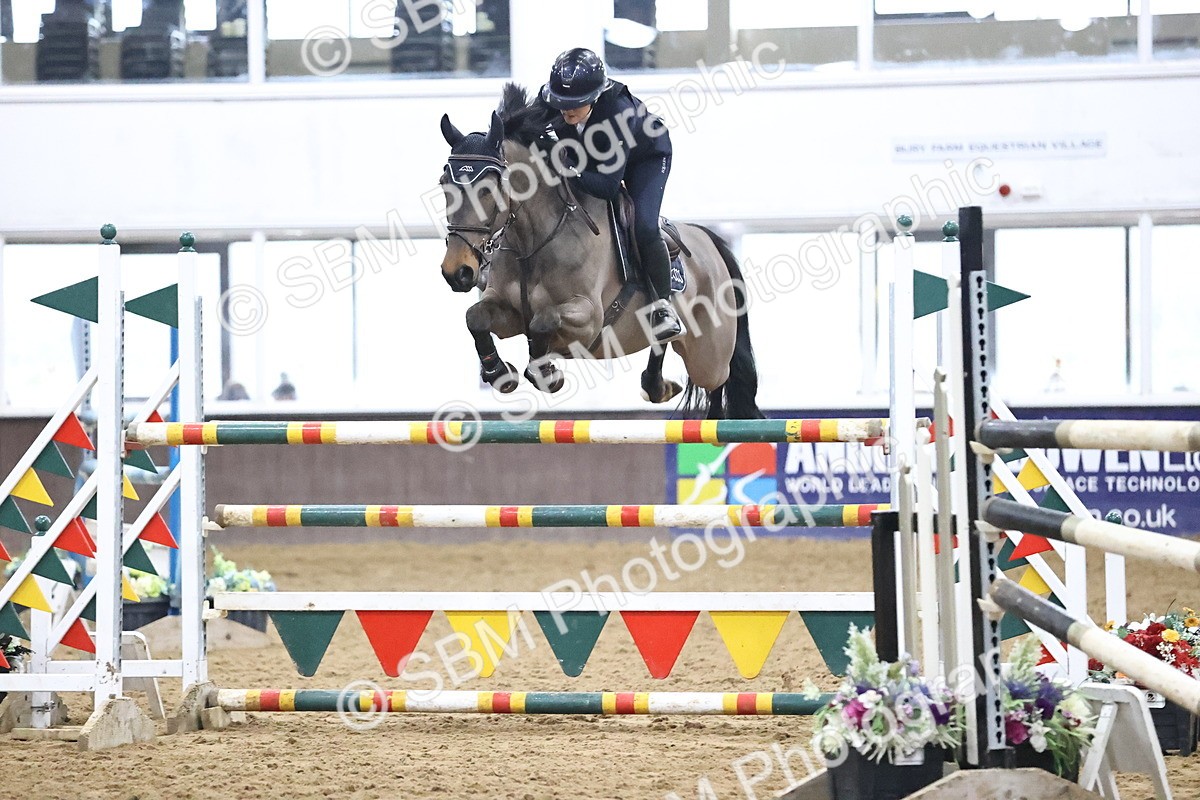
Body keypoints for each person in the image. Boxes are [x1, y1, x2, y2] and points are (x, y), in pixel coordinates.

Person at [538, 47, 684, 342]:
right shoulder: (553, 101)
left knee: (643, 224)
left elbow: (606, 187)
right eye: (561, 103)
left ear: (595, 97)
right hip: (596, 157)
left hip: (646, 159)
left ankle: (663, 305)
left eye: (575, 104)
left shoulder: (619, 113)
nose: (565, 110)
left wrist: (567, 167)